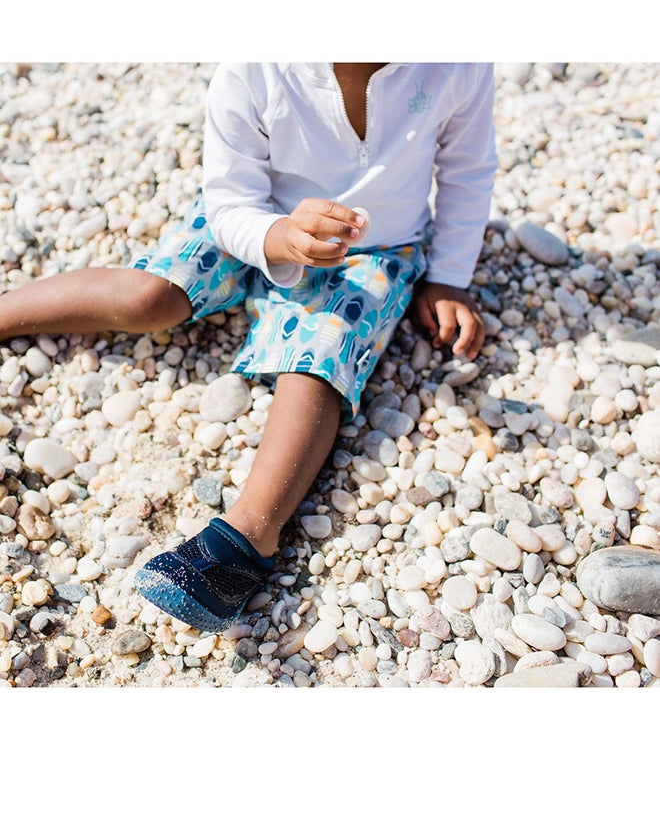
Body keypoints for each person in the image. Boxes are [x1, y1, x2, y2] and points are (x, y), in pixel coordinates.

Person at [0, 63, 498, 633]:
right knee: (148, 299)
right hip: (250, 220)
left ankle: (246, 539)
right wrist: (279, 237)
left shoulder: (455, 63)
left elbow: (467, 170)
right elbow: (230, 199)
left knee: (318, 357)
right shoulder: (256, 68)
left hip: (373, 248)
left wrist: (449, 277)